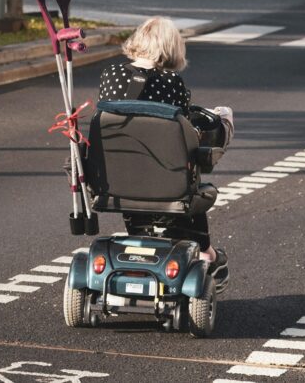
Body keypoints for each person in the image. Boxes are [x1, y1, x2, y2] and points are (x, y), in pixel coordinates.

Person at [97, 17, 231, 269]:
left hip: (117, 175)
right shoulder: (171, 82)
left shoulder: (111, 74)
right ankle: (206, 253)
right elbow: (181, 128)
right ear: (171, 48)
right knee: (194, 181)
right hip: (165, 175)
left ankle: (140, 235)